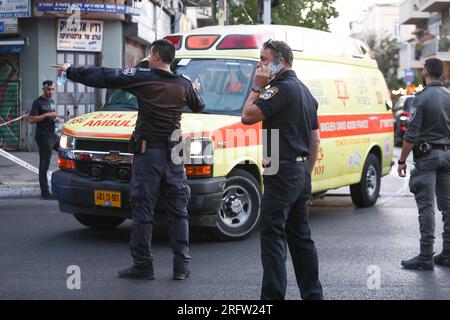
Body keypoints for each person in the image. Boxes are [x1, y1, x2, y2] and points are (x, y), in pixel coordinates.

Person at [54, 39, 205, 280]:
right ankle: (181, 266)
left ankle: (143, 265)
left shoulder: (143, 77)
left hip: (149, 154)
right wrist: (194, 89)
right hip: (176, 153)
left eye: (148, 55)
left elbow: (105, 76)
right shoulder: (184, 84)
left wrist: (70, 71)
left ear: (155, 57)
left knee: (143, 209)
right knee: (178, 210)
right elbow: (198, 106)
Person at [241, 40, 323, 300]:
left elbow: (247, 116)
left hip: (281, 172)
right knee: (301, 239)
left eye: (264, 59)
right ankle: (313, 295)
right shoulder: (305, 92)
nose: (260, 65)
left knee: (273, 237)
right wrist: (305, 175)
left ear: (280, 61)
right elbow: (315, 140)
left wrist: (257, 85)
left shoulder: (278, 89)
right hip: (299, 173)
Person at [398, 58, 450, 270]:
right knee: (448, 207)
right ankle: (447, 253)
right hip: (447, 156)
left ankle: (425, 256)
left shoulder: (422, 98)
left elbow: (411, 134)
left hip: (427, 157)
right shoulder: (449, 96)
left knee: (426, 206)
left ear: (426, 71)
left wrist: (401, 160)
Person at [28, 80, 62, 200]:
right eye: (48, 89)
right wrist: (46, 115)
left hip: (53, 135)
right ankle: (45, 193)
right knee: (44, 164)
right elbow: (31, 119)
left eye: (52, 89)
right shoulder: (37, 102)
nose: (51, 91)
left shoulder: (51, 101)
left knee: (67, 151)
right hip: (43, 136)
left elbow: (52, 115)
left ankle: (67, 183)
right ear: (43, 89)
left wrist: (57, 118)